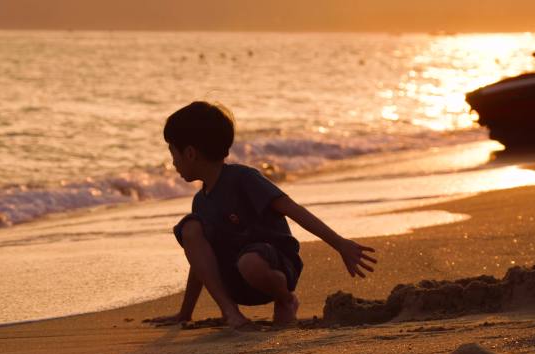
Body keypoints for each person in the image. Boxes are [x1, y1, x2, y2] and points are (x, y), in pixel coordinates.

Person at [151, 101, 376, 329]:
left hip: (273, 268)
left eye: (173, 153)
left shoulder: (243, 179)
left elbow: (293, 209)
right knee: (190, 227)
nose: (173, 162)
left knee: (249, 262)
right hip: (236, 282)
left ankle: (286, 300)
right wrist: (185, 312)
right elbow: (200, 261)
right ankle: (231, 312)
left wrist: (339, 244)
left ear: (189, 153)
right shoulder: (200, 202)